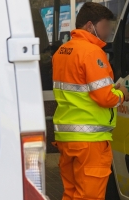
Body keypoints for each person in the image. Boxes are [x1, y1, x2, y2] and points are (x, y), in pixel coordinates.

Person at [52, 2, 129, 200]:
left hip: (67, 138)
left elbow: (83, 88)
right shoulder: (92, 52)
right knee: (89, 196)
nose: (106, 34)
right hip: (90, 142)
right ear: (89, 25)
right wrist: (121, 93)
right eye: (105, 28)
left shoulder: (62, 52)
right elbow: (105, 97)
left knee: (71, 193)